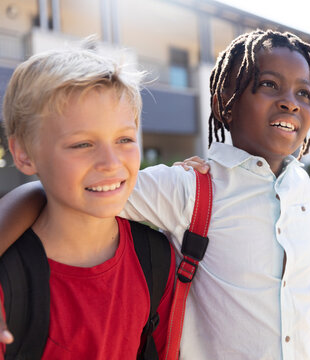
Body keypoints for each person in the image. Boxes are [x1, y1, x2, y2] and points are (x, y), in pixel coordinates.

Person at [0, 29, 310, 359]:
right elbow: (58, 191)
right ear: (222, 103)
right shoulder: (191, 186)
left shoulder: (301, 186)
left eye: (305, 92)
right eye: (269, 84)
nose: (290, 101)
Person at [0, 47, 175, 359]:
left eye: (124, 140)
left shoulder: (156, 259)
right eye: (82, 144)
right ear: (23, 153)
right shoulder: (8, 279)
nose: (110, 163)